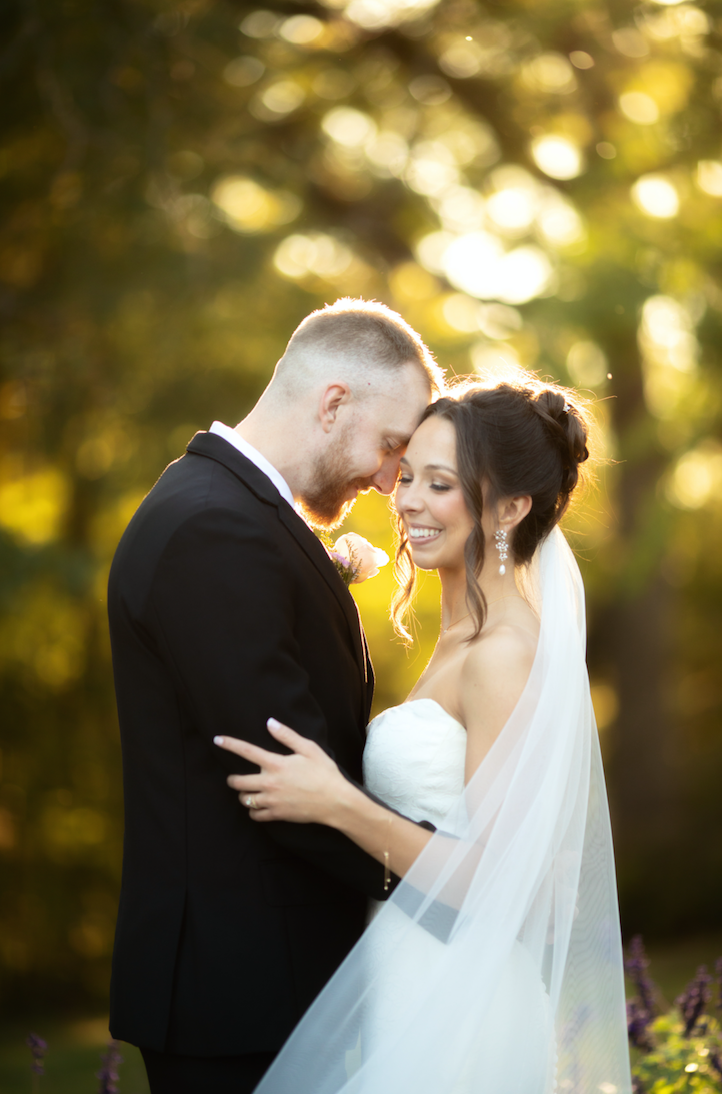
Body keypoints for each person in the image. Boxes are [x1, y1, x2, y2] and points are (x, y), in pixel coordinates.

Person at [217, 378, 633, 1094]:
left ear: (509, 508)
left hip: (464, 1001)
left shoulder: (502, 654)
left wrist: (335, 802)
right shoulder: (459, 639)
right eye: (406, 475)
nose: (406, 499)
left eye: (439, 484)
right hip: (408, 977)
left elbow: (499, 878)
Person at [106, 298, 444, 1094]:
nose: (393, 480)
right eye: (393, 446)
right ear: (333, 404)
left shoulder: (227, 511)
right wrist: (448, 881)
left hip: (267, 984)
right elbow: (289, 778)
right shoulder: (214, 530)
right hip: (239, 998)